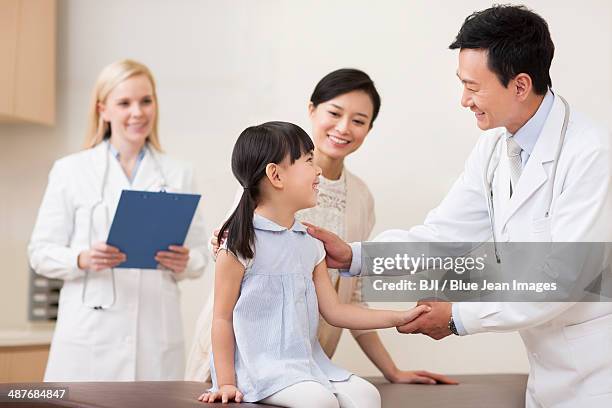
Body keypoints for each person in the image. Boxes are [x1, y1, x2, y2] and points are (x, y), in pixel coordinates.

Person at [307, 5, 612, 408]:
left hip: (599, 374)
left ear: (520, 86)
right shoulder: (494, 147)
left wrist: (457, 318)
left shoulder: (592, 155)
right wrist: (357, 256)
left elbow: (562, 281)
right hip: (546, 372)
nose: (463, 100)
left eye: (473, 86)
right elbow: (443, 236)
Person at [186, 68, 456, 386]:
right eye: (335, 113)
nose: (344, 128)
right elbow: (230, 248)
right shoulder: (268, 181)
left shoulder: (360, 198)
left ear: (369, 129)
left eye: (358, 121)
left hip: (303, 361)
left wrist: (392, 371)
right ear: (312, 110)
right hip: (236, 357)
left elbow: (351, 298)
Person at [197, 121, 430, 407]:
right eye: (309, 161)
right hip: (258, 371)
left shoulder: (310, 244)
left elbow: (336, 311)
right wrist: (228, 382)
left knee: (368, 396)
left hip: (306, 365)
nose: (318, 170)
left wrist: (399, 317)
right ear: (276, 175)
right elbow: (221, 318)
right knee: (319, 401)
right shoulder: (238, 245)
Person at [28, 59, 209, 381]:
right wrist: (82, 258)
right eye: (124, 103)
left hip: (156, 335)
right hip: (89, 335)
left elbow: (200, 256)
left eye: (146, 101)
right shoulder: (71, 170)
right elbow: (40, 252)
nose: (137, 113)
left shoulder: (179, 173)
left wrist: (185, 260)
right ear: (103, 110)